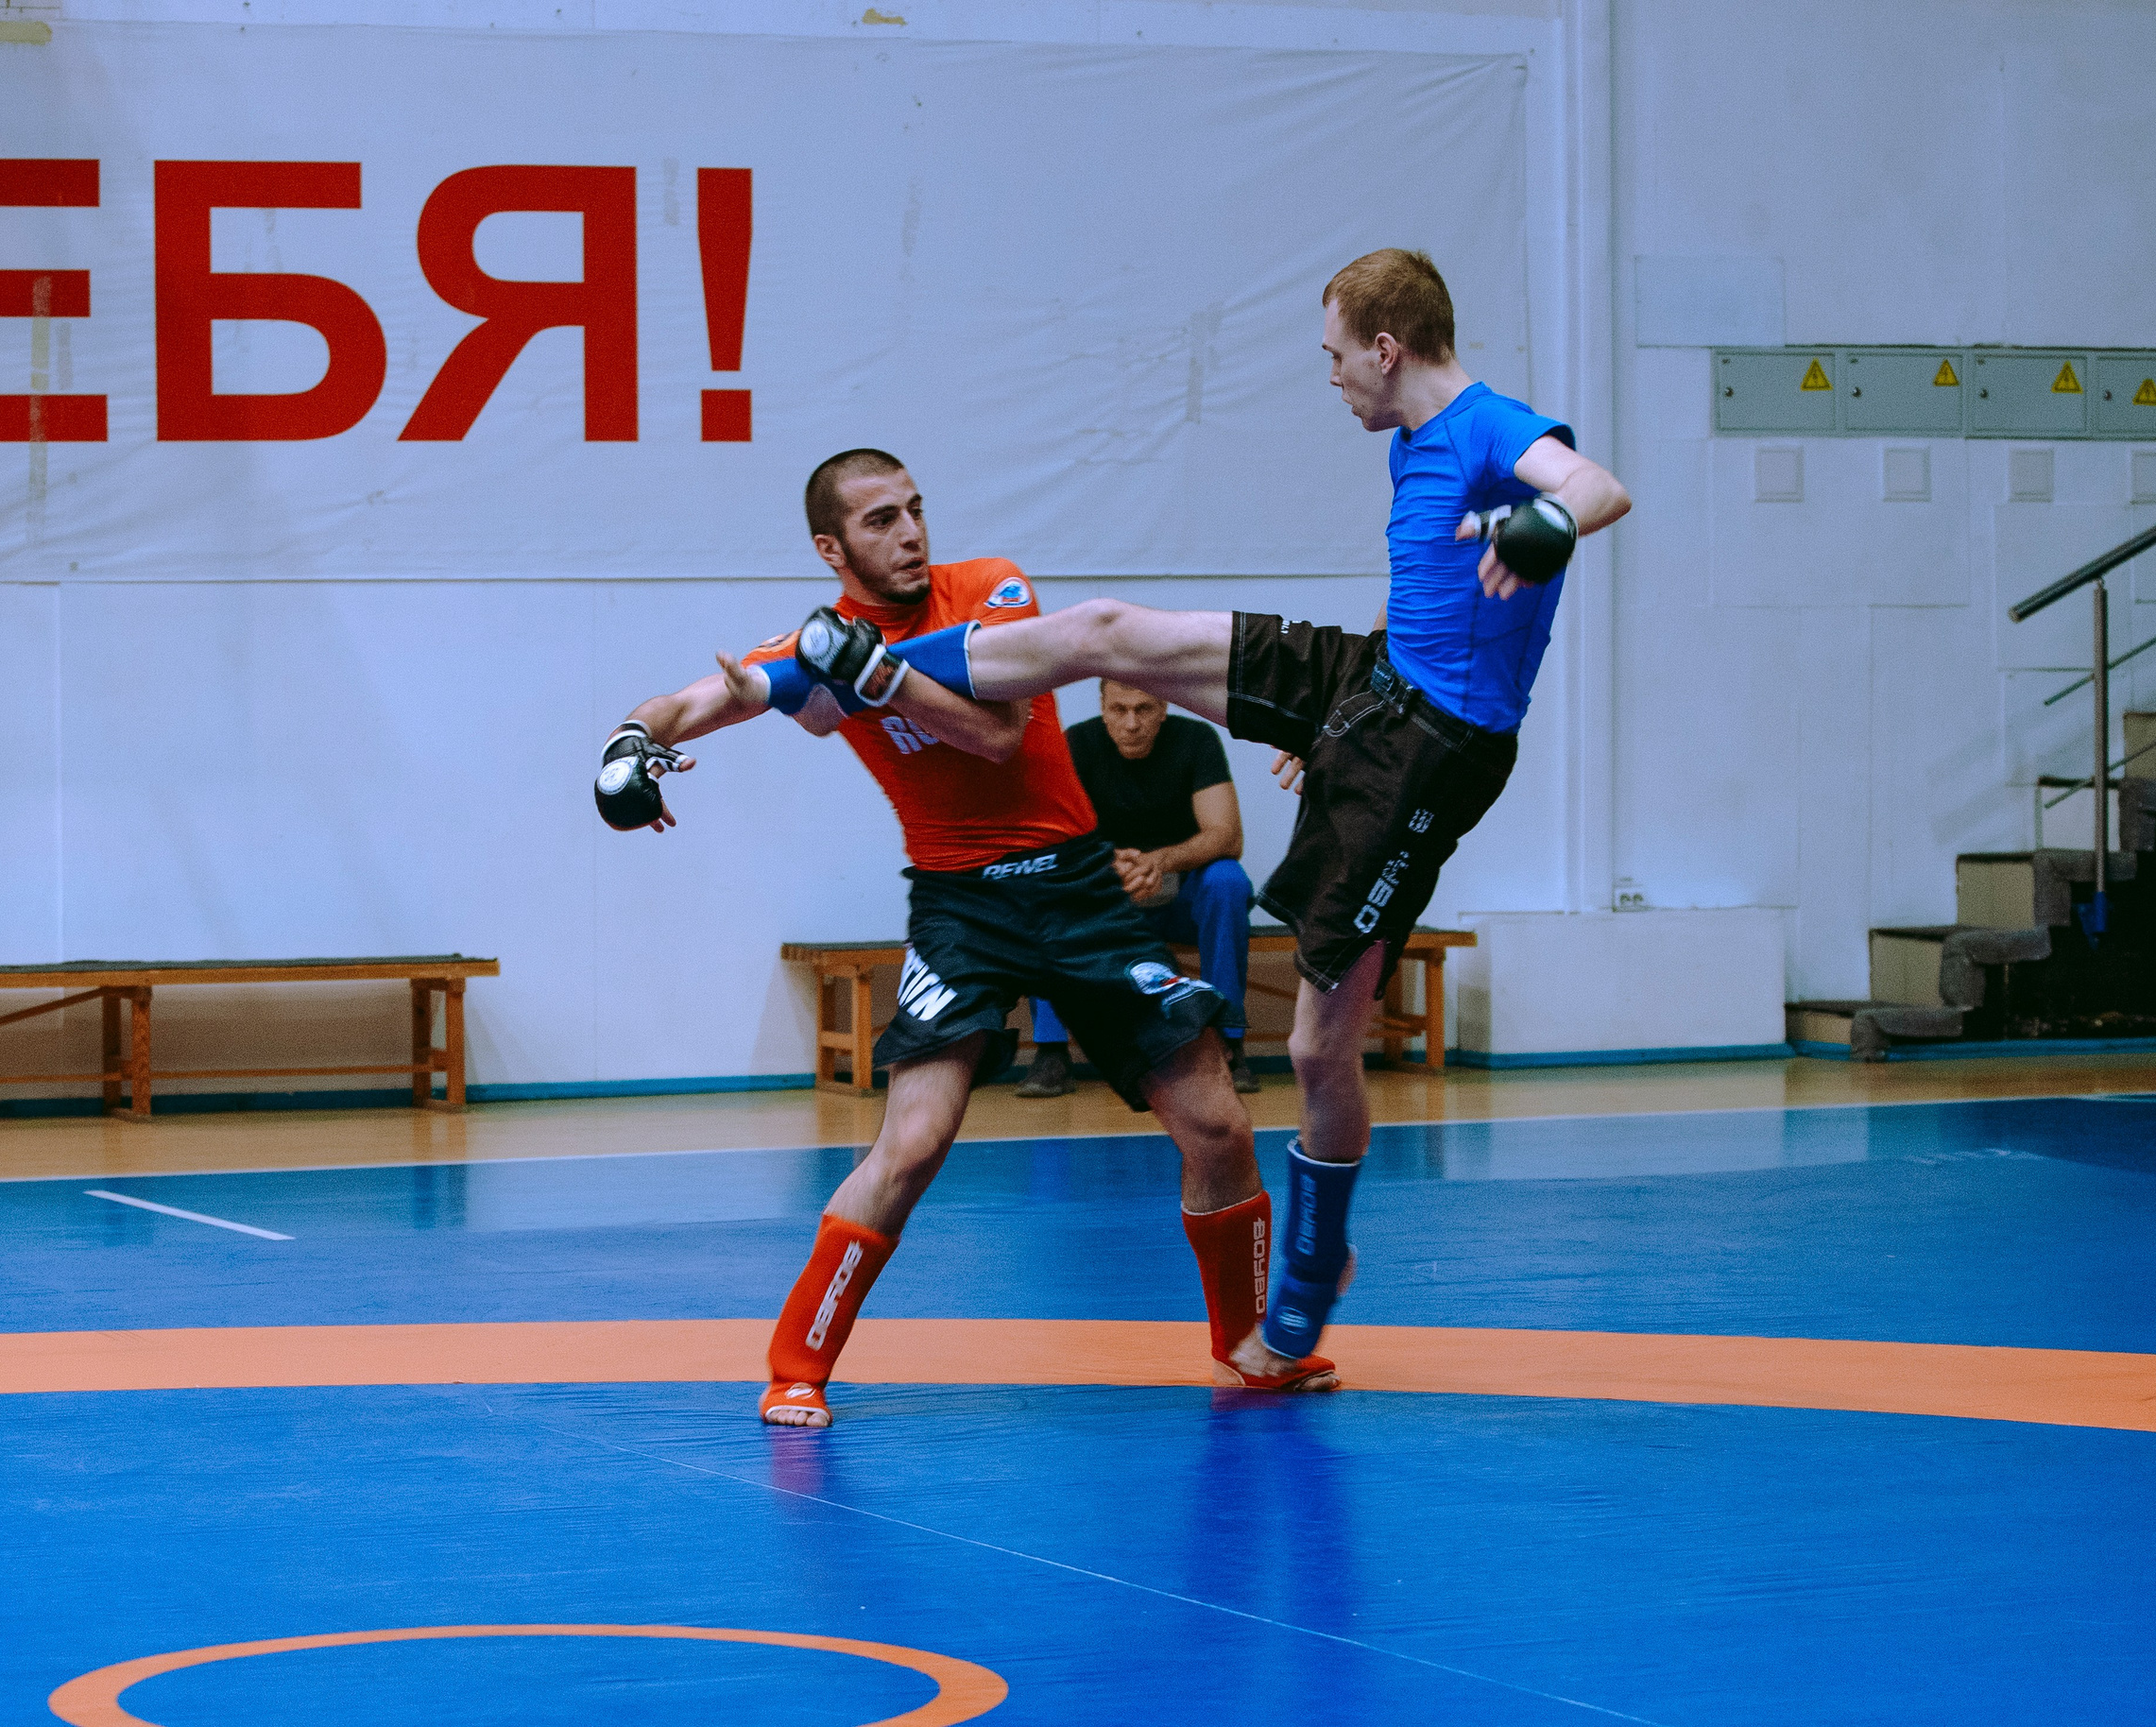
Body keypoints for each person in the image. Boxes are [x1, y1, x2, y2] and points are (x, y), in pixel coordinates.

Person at [796, 251, 1630, 1388]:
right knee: (1104, 630)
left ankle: (1317, 1253)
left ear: (1386, 348)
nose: (1329, 376)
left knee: (1316, 1044)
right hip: (1370, 689)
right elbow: (1422, 596)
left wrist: (1543, 526)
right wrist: (1327, 723)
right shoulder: (1409, 448)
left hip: (1430, 752)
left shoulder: (1493, 427)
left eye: (1334, 353)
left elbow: (1594, 489)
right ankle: (871, 664)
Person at [593, 448, 1337, 1427]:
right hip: (958, 907)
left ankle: (1246, 1350)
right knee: (913, 1141)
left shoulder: (991, 589)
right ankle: (795, 1365)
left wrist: (873, 677)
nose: (908, 534)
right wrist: (631, 747)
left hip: (1077, 889)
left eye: (914, 511)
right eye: (878, 521)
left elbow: (994, 732)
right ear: (832, 547)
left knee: (1216, 1125)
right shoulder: (818, 644)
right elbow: (698, 699)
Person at [1019, 680, 1258, 1099]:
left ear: (1163, 707)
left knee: (1227, 881)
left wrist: (1158, 861)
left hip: (1181, 898)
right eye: (1120, 710)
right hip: (1107, 903)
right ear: (1103, 708)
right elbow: (1051, 840)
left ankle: (1229, 1041)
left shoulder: (1196, 740)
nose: (1132, 723)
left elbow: (1227, 837)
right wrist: (1107, 867)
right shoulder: (1078, 742)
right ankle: (1052, 1053)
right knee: (1044, 887)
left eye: (1144, 709)